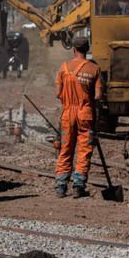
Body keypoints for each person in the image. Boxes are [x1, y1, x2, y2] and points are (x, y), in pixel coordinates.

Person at [54, 35, 102, 198]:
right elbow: (97, 96)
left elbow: (58, 94)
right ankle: (78, 185)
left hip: (67, 113)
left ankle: (61, 186)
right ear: (87, 49)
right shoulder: (94, 69)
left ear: (74, 49)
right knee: (84, 149)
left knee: (66, 148)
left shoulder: (63, 68)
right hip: (85, 114)